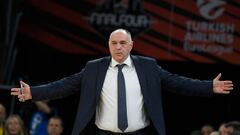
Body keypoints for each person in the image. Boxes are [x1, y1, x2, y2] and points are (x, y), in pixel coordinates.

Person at [11, 29, 234, 135]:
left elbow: (177, 82)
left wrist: (208, 86)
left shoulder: (148, 66)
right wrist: (34, 92)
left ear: (131, 45)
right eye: (114, 42)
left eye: (122, 43)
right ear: (108, 45)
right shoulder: (93, 68)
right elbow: (64, 85)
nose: (118, 47)